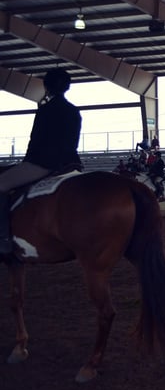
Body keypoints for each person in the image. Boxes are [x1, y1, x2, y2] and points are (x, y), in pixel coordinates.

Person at [0, 68, 82, 255]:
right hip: (71, 163)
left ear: (47, 86)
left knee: (1, 184)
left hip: (43, 163)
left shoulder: (46, 110)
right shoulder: (73, 111)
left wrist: (26, 163)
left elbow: (35, 140)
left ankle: (3, 238)